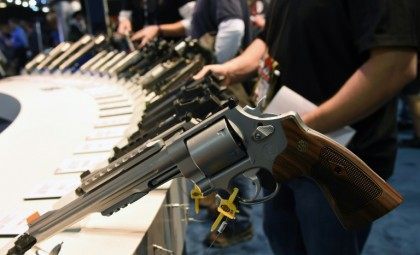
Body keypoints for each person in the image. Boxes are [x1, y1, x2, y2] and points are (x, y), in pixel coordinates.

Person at [194, 0, 418, 254]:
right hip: (286, 146)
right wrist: (231, 70)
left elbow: (395, 66)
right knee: (283, 237)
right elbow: (270, 37)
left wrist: (297, 126)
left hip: (338, 156)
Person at [117, 0, 195, 38]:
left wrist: (159, 29)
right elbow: (125, 15)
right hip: (144, 50)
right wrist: (124, 21)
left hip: (174, 49)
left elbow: (194, 22)